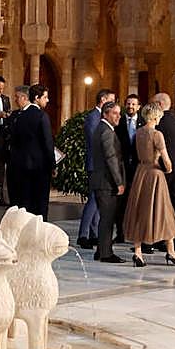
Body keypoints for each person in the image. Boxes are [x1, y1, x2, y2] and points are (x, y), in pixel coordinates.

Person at [122, 103, 175, 267]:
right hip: (155, 174)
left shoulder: (139, 132)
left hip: (140, 173)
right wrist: (169, 169)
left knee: (139, 211)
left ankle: (138, 252)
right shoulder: (157, 134)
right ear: (155, 117)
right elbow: (166, 159)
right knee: (164, 212)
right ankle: (170, 251)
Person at [8, 84, 54, 220]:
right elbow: (48, 143)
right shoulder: (41, 116)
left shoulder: (18, 116)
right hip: (40, 168)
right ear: (36, 98)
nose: (47, 100)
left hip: (19, 166)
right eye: (45, 97)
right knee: (40, 204)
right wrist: (53, 165)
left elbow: (13, 141)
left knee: (24, 203)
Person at [79, 89, 116, 250]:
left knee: (98, 199)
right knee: (94, 199)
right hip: (96, 164)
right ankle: (83, 235)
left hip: (101, 165)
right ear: (103, 99)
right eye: (111, 100)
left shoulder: (100, 117)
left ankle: (94, 234)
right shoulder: (93, 117)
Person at [90, 101, 126, 264]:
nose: (118, 116)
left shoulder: (103, 129)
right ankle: (106, 253)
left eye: (119, 113)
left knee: (105, 217)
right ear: (105, 114)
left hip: (102, 181)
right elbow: (111, 159)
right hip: (106, 182)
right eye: (114, 113)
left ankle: (101, 250)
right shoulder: (106, 131)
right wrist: (119, 182)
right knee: (107, 218)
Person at [152, 92, 175, 250]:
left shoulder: (157, 124)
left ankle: (159, 240)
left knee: (158, 204)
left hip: (161, 169)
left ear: (159, 105)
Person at [116, 95, 142, 245]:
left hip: (138, 167)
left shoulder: (143, 122)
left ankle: (137, 235)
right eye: (128, 104)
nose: (131, 106)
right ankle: (120, 233)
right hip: (122, 167)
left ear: (139, 106)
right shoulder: (118, 122)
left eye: (133, 104)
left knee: (138, 201)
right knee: (121, 202)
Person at [4, 86, 31, 207]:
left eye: (17, 97)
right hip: (12, 159)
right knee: (13, 194)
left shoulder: (34, 115)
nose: (15, 100)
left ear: (24, 97)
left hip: (26, 161)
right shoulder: (14, 114)